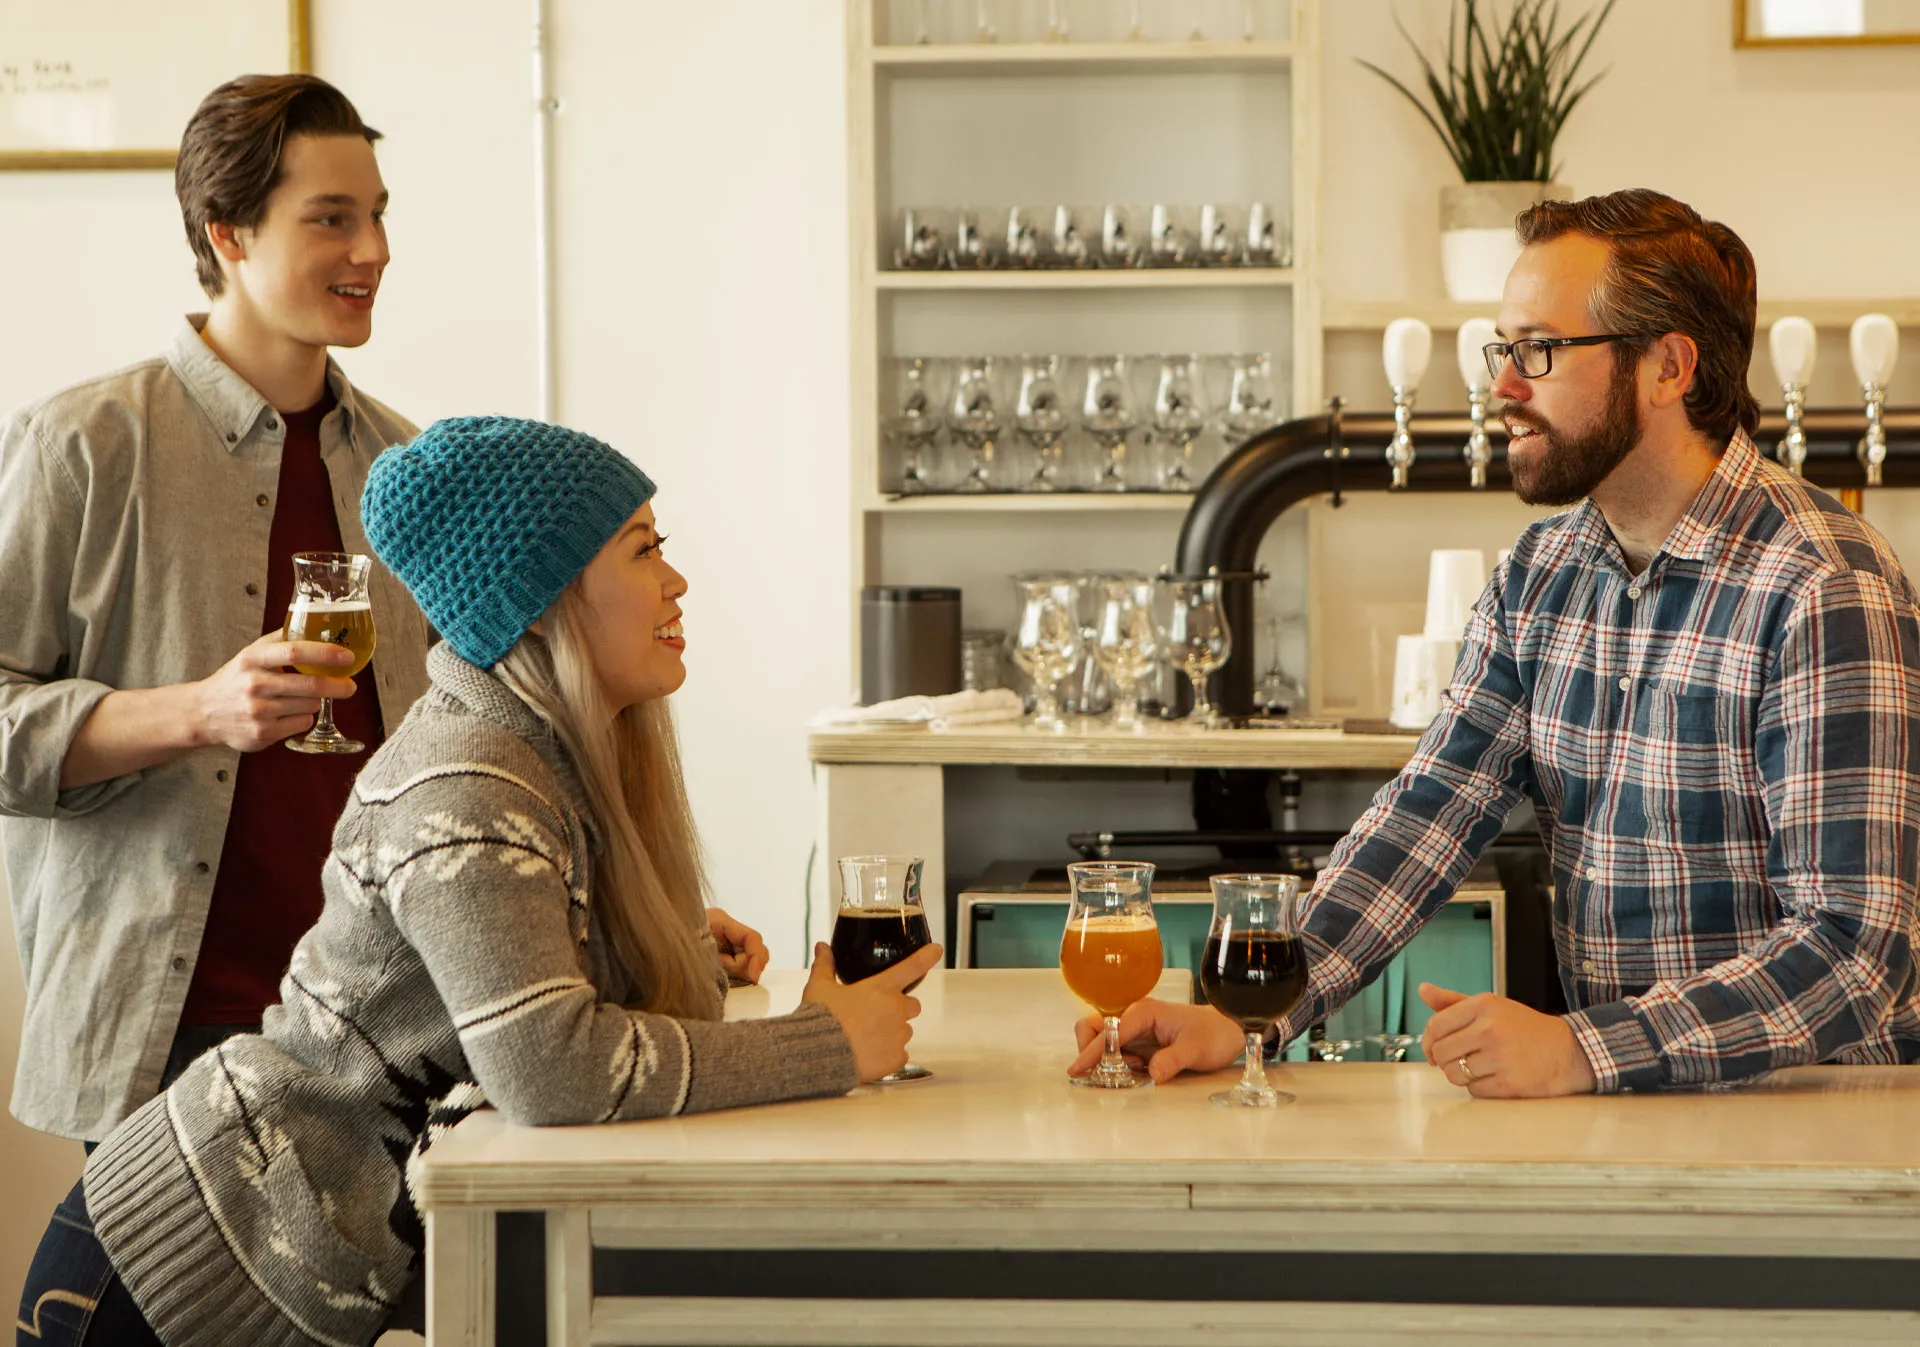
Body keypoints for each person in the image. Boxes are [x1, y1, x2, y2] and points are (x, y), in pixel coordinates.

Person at [20, 416, 941, 1346]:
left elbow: (512, 1010)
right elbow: (553, 1068)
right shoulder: (467, 785)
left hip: (249, 1264)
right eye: (643, 548)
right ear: (542, 596)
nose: (676, 578)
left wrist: (651, 942)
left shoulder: (535, 759)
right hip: (157, 1280)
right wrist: (825, 1043)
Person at [1072, 188, 1920, 1098]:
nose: (1503, 384)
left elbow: (1855, 947)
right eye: (1503, 348)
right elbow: (1426, 815)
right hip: (1630, 1109)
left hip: (1820, 1118)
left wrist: (1587, 1048)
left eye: (1539, 350)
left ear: (1669, 366)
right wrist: (1247, 1012)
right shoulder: (1541, 574)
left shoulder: (1823, 584)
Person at [0, 74, 434, 1157]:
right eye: (332, 218)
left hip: (389, 1024)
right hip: (168, 1036)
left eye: (378, 214)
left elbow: (467, 752)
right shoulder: (81, 446)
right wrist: (195, 711)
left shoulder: (408, 469)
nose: (371, 250)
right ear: (228, 231)